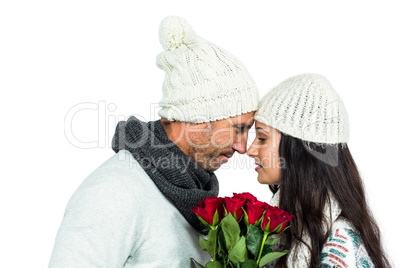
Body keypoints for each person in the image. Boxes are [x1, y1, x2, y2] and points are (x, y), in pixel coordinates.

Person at [49, 16, 259, 267]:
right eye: (238, 129)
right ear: (197, 117)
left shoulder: (194, 191)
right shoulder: (115, 191)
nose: (243, 147)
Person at [246, 74, 391, 267]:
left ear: (297, 149)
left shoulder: (341, 247)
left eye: (262, 138)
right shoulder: (285, 229)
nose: (250, 150)